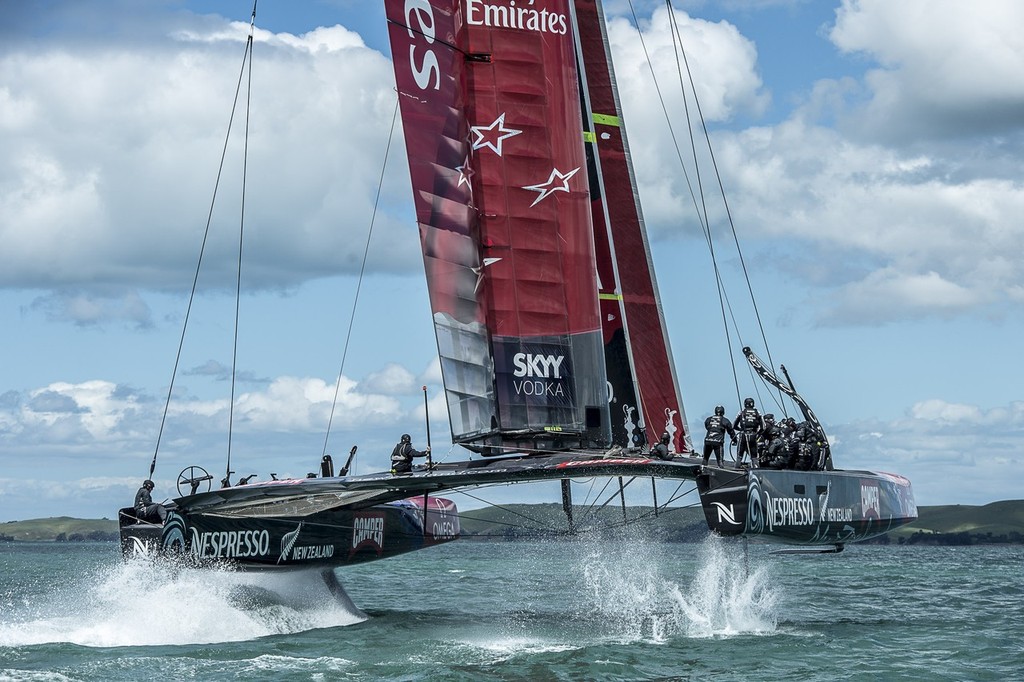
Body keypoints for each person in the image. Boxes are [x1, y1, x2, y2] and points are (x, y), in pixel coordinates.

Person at [733, 397, 763, 468]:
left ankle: (737, 468)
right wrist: (758, 434)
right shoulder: (757, 412)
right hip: (753, 435)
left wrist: (741, 430)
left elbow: (734, 425)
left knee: (739, 455)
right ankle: (756, 469)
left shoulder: (742, 412)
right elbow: (763, 427)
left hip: (743, 435)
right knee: (754, 456)